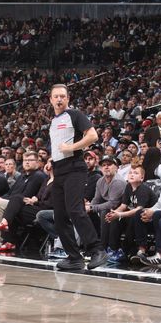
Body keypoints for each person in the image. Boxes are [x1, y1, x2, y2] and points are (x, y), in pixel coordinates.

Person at [48, 84, 106, 271]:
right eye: (56, 96)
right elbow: (59, 145)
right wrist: (51, 159)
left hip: (75, 168)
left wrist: (72, 148)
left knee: (75, 210)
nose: (59, 99)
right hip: (59, 170)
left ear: (68, 99)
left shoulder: (75, 115)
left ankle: (97, 250)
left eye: (62, 96)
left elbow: (93, 136)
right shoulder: (54, 121)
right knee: (60, 217)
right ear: (50, 99)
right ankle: (74, 257)